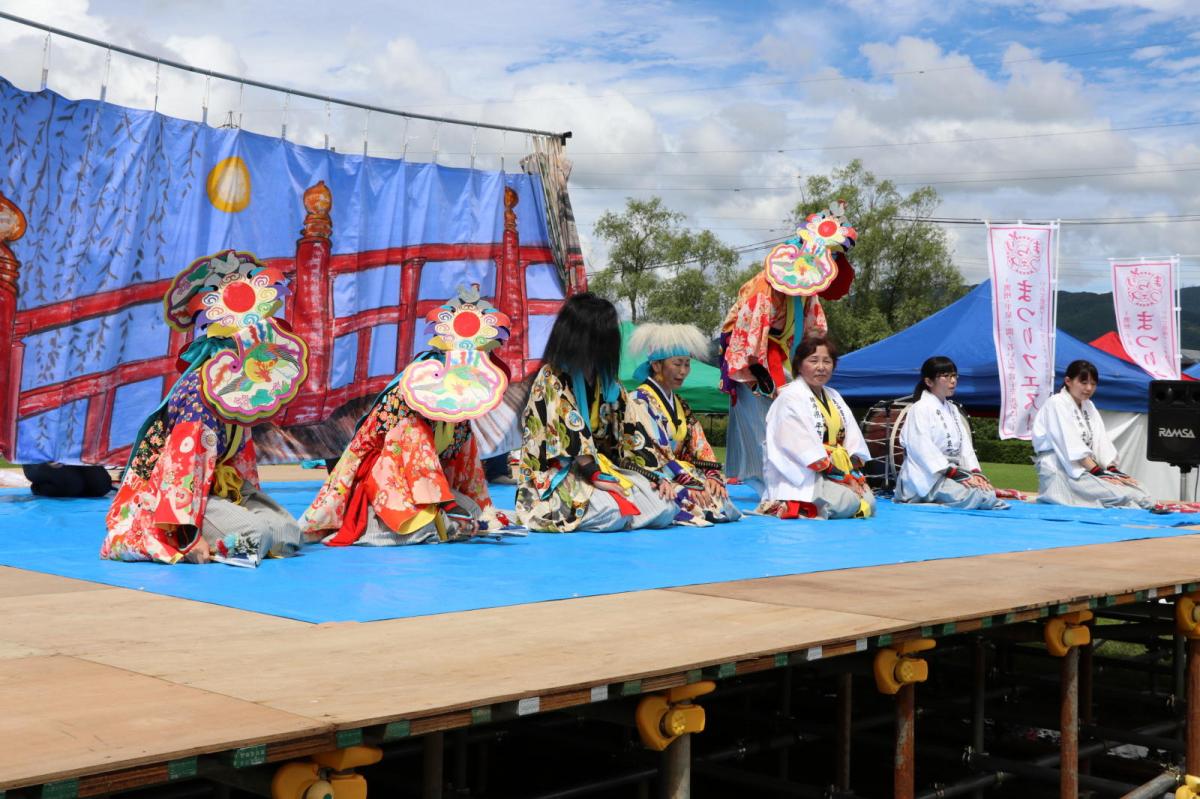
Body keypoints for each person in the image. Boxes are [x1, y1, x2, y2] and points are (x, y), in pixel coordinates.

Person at [101, 250, 309, 566]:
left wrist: (246, 499)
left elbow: (241, 459)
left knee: (287, 531)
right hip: (180, 498)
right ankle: (194, 536)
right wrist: (187, 534)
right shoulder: (201, 391)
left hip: (218, 489)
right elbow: (180, 468)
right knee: (255, 535)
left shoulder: (240, 390)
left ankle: (233, 531)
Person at [301, 286, 516, 545]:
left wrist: (482, 509)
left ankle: (454, 515)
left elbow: (463, 463)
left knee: (473, 512)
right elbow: (401, 454)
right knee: (426, 528)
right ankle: (440, 516)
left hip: (427, 483)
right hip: (387, 479)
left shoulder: (459, 400)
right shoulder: (414, 390)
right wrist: (447, 508)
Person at [720, 203, 857, 489]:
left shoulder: (808, 291)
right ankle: (767, 480)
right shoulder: (766, 286)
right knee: (763, 419)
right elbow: (750, 333)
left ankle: (795, 475)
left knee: (792, 413)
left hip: (784, 354)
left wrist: (808, 365)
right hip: (754, 354)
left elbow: (814, 332)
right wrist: (762, 373)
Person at [515, 293, 675, 533]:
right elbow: (568, 431)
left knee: (666, 508)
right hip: (558, 472)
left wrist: (655, 476)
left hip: (602, 466)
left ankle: (625, 509)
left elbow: (632, 432)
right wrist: (594, 473)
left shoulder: (609, 383)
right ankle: (619, 511)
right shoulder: (551, 377)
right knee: (610, 513)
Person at [625, 323, 741, 525]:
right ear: (656, 365)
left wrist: (711, 475)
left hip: (680, 472)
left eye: (687, 364)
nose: (684, 371)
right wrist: (687, 480)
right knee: (687, 501)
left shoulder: (681, 404)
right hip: (655, 474)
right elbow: (650, 451)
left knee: (720, 499)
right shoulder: (638, 401)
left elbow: (698, 444)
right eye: (677, 364)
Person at [757, 336, 876, 519]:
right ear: (799, 365)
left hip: (836, 468)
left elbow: (852, 439)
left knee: (869, 501)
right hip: (804, 473)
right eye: (813, 360)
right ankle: (785, 503)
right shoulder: (789, 397)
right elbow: (800, 447)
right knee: (848, 502)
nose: (821, 367)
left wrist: (852, 474)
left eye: (827, 361)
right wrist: (842, 478)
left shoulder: (834, 395)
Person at [1031, 360, 1154, 509]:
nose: (1088, 388)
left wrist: (1113, 471)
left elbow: (1101, 441)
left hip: (1086, 468)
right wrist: (1099, 473)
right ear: (1068, 381)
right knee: (1120, 495)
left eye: (1093, 384)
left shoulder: (1088, 405)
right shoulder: (1056, 403)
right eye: (1083, 382)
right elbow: (1071, 445)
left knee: (1139, 490)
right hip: (1061, 468)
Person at [894, 356, 1008, 509]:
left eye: (954, 375)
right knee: (976, 496)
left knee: (985, 491)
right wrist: (953, 473)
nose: (953, 380)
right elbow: (922, 448)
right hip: (928, 477)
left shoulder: (953, 409)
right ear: (928, 382)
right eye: (946, 376)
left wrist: (975, 473)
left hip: (951, 472)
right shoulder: (919, 408)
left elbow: (965, 447)